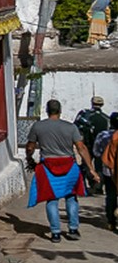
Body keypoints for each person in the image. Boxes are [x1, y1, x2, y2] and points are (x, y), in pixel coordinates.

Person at [26, 99, 101, 242]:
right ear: (60, 111)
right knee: (71, 197)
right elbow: (81, 148)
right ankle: (73, 229)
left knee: (52, 199)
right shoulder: (71, 127)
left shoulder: (38, 126)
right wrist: (91, 169)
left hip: (48, 166)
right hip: (69, 166)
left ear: (47, 111)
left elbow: (30, 147)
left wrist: (30, 160)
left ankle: (55, 233)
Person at [92, 113, 118, 232]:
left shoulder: (103, 135)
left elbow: (96, 151)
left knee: (110, 195)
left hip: (108, 170)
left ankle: (111, 221)